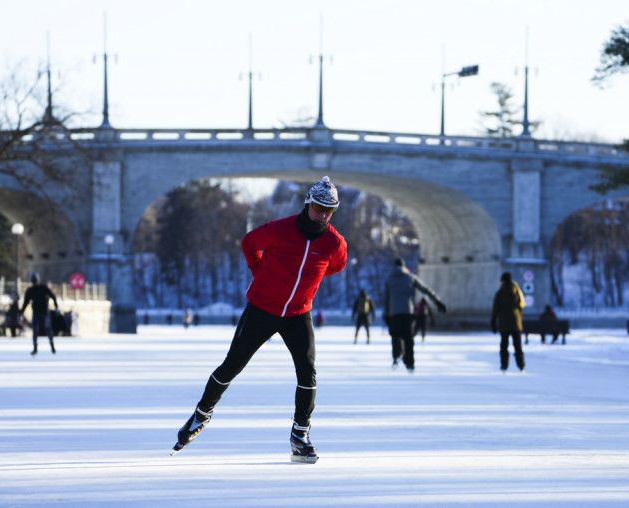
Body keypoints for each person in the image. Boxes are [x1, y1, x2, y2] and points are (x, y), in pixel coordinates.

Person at [173, 176, 347, 464]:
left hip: (297, 313)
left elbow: (335, 266)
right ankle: (200, 416)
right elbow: (249, 242)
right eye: (318, 207)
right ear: (308, 203)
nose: (322, 215)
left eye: (329, 211)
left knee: (308, 372)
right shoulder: (281, 229)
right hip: (262, 309)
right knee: (233, 365)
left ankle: (300, 435)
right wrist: (261, 272)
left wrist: (307, 281)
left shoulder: (334, 242)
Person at [383, 258, 447, 372]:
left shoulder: (389, 280)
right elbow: (426, 289)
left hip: (394, 314)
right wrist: (438, 302)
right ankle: (410, 363)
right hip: (408, 312)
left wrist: (386, 314)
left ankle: (396, 356)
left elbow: (386, 299)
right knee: (409, 339)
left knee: (396, 336)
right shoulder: (410, 278)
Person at [491, 272, 525, 372]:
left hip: (504, 323)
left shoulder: (500, 292)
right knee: (518, 346)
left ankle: (504, 366)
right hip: (516, 323)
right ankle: (521, 365)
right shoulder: (517, 291)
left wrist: (493, 321)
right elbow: (521, 306)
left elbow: (496, 308)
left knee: (504, 345)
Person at [20, 272, 59, 355]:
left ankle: (52, 346)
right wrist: (21, 311)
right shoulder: (30, 290)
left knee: (48, 329)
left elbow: (52, 296)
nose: (35, 283)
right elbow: (26, 302)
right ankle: (35, 348)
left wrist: (56, 306)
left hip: (44, 312)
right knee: (35, 330)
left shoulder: (43, 288)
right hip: (36, 313)